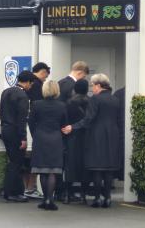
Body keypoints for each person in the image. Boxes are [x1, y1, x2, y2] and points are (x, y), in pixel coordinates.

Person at [63, 74, 120, 208]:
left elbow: (89, 119)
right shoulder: (115, 99)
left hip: (97, 136)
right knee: (108, 169)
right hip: (113, 136)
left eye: (93, 86)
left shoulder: (95, 99)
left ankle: (96, 198)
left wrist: (73, 126)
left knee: (97, 168)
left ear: (99, 85)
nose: (92, 89)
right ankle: (107, 198)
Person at [29, 80, 68, 211]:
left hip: (40, 137)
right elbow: (64, 123)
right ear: (57, 90)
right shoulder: (62, 105)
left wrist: (35, 135)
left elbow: (31, 122)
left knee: (42, 170)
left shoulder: (36, 104)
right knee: (52, 170)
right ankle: (49, 199)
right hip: (56, 138)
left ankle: (45, 199)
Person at [0, 70, 35, 202]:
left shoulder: (6, 92)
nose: (30, 87)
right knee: (17, 162)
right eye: (31, 84)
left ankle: (9, 190)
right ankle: (12, 192)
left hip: (5, 129)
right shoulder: (23, 96)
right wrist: (23, 138)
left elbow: (1, 112)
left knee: (12, 161)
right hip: (15, 131)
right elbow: (22, 119)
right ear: (27, 82)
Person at [56, 61, 89, 201]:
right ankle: (67, 193)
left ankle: (62, 192)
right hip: (73, 132)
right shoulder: (71, 86)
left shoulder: (60, 82)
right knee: (74, 163)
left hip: (63, 130)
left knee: (64, 163)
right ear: (80, 72)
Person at [25, 62, 50, 199]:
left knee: (25, 160)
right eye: (46, 74)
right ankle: (31, 188)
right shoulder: (37, 85)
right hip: (33, 129)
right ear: (42, 72)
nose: (46, 78)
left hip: (24, 126)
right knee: (34, 159)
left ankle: (27, 188)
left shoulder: (27, 83)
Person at [63, 79, 90, 204]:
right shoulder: (90, 101)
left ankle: (68, 194)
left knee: (70, 166)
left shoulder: (69, 103)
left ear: (75, 88)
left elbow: (65, 119)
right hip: (86, 137)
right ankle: (84, 195)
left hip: (71, 136)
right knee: (85, 166)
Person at [113, 87, 125, 181]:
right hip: (122, 126)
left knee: (120, 151)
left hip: (119, 127)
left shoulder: (118, 93)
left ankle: (120, 174)